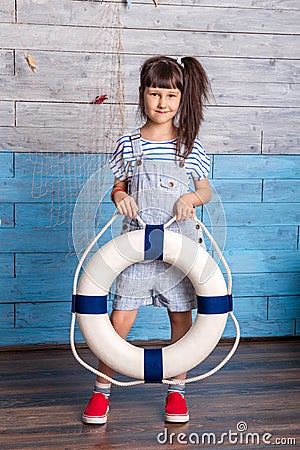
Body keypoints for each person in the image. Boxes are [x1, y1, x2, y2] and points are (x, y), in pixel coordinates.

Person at [82, 55, 212, 425]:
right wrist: (119, 196)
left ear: (181, 99)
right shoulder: (128, 143)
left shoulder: (189, 146)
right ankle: (101, 391)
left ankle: (176, 392)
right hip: (134, 250)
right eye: (155, 94)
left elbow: (204, 191)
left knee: (181, 321)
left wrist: (189, 199)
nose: (162, 103)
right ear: (142, 94)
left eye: (170, 95)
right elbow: (118, 187)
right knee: (118, 321)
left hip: (180, 249)